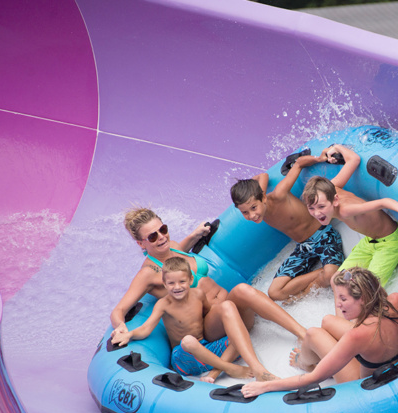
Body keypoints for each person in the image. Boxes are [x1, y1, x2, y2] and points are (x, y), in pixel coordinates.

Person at [110, 207, 306, 347]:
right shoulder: (148, 273)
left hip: (229, 309)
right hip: (211, 326)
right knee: (242, 291)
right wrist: (120, 329)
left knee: (243, 291)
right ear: (140, 244)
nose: (161, 237)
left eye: (163, 229)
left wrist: (195, 235)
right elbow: (118, 310)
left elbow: (181, 250)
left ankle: (302, 334)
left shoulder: (174, 247)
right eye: (152, 236)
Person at [240, 257, 398, 398]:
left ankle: (302, 361)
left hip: (363, 381)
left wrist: (265, 387)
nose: (339, 304)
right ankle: (336, 290)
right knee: (328, 320)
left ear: (364, 299)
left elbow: (313, 379)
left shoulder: (357, 336)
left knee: (314, 334)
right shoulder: (396, 302)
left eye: (343, 299)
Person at [229, 146, 360, 301]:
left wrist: (319, 158)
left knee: (331, 276)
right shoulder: (259, 204)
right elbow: (262, 176)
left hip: (323, 236)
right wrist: (252, 191)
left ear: (263, 198)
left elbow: (298, 164)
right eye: (245, 212)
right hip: (304, 248)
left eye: (253, 208)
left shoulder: (279, 194)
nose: (252, 215)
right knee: (275, 293)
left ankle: (308, 290)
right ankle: (321, 272)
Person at [111, 257, 274, 381]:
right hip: (184, 356)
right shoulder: (163, 304)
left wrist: (236, 317)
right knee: (189, 340)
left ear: (190, 280)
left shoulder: (198, 295)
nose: (177, 287)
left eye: (182, 281)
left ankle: (216, 373)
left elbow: (210, 315)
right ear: (165, 284)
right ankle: (229, 368)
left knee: (238, 336)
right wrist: (129, 334)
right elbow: (146, 328)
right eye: (171, 283)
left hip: (207, 349)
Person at [300, 144, 398, 288]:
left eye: (321, 207)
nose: (317, 213)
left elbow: (383, 202)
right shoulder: (329, 189)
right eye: (311, 208)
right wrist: (336, 147)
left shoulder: (346, 210)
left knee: (369, 287)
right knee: (336, 279)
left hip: (391, 242)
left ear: (335, 200)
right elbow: (353, 160)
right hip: (370, 242)